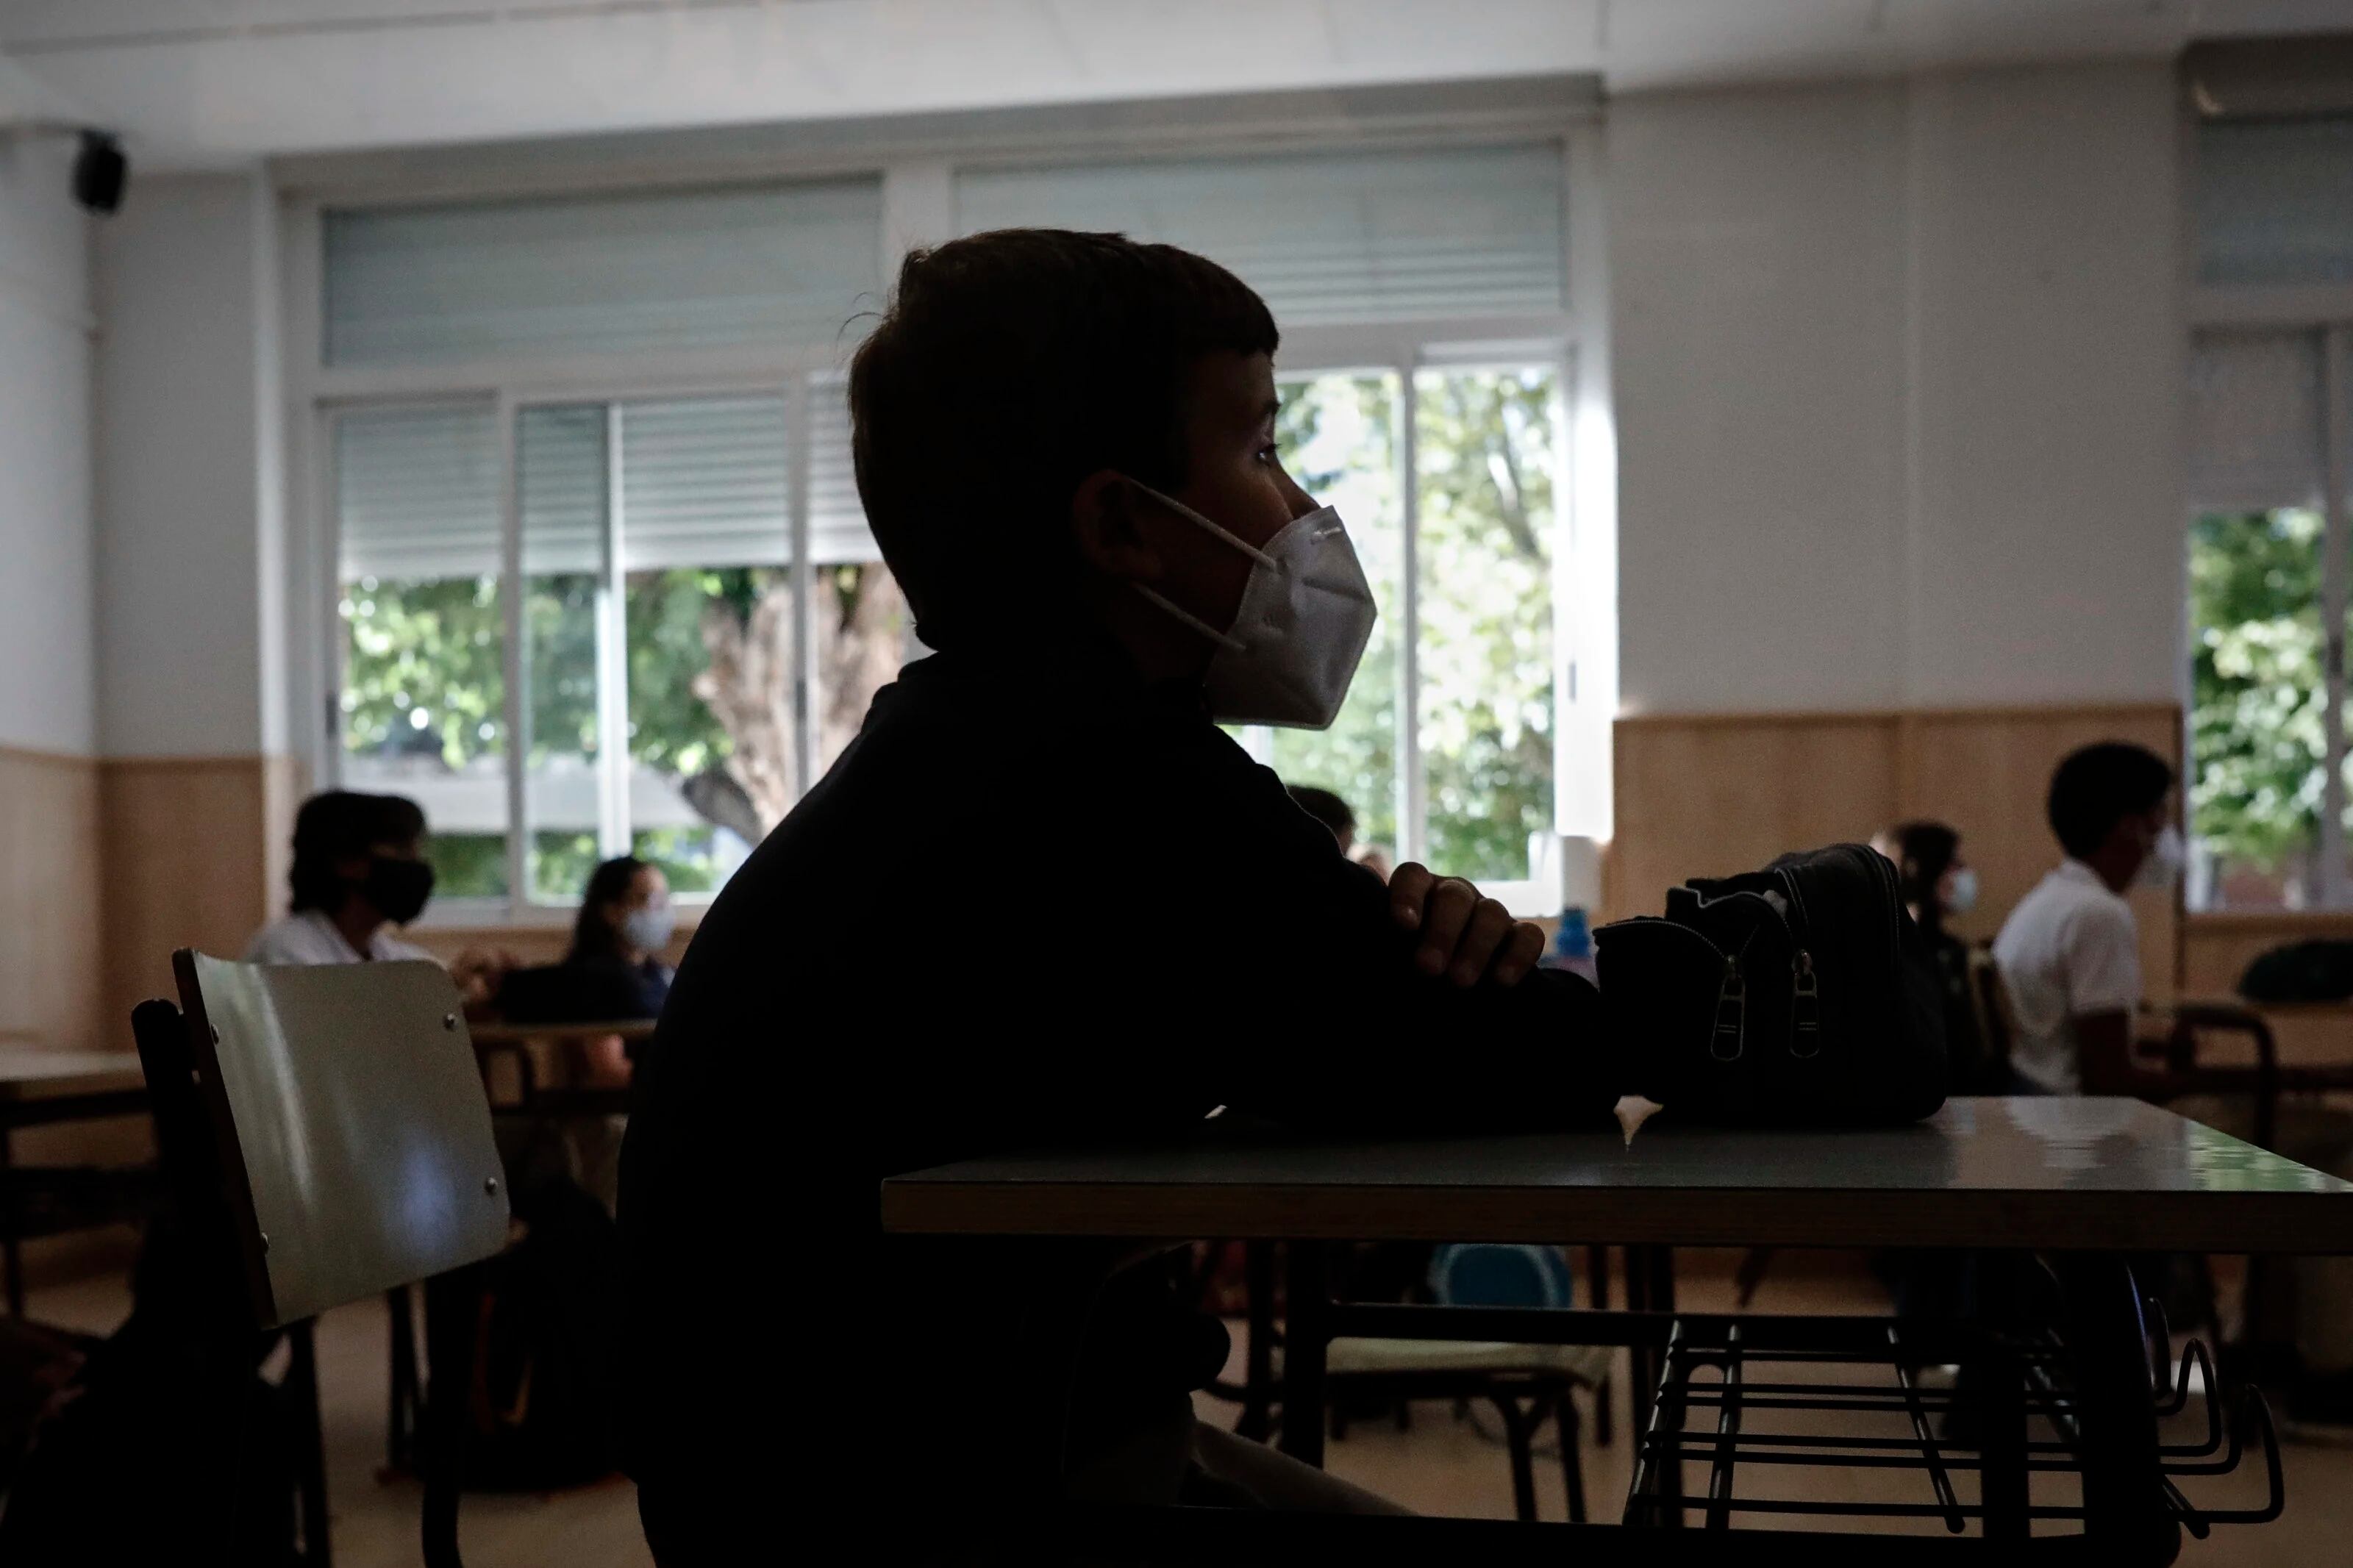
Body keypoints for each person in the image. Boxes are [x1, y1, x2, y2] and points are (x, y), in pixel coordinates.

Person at [617, 229, 1615, 1561]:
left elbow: (1367, 1022)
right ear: (1122, 525)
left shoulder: (990, 742)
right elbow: (1482, 1057)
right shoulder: (1102, 775)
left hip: (876, 1464)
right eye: (1261, 450)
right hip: (943, 1502)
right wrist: (1698, 981)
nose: (1301, 503)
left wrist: (1456, 976)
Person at [1990, 742, 2184, 1097]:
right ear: (2129, 826)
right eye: (2160, 816)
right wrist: (2213, 1086)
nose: (2167, 835)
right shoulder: (2098, 916)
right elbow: (2108, 1081)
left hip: (2034, 1106)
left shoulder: (2045, 901)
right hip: (2074, 1127)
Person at [244, 791, 438, 965]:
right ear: (347, 862)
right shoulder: (286, 950)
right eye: (401, 851)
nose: (416, 864)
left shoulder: (387, 954)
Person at [1871, 821, 1994, 1092]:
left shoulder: (1939, 948)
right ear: (1925, 871)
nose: (1964, 874)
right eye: (1955, 864)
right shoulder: (1928, 953)